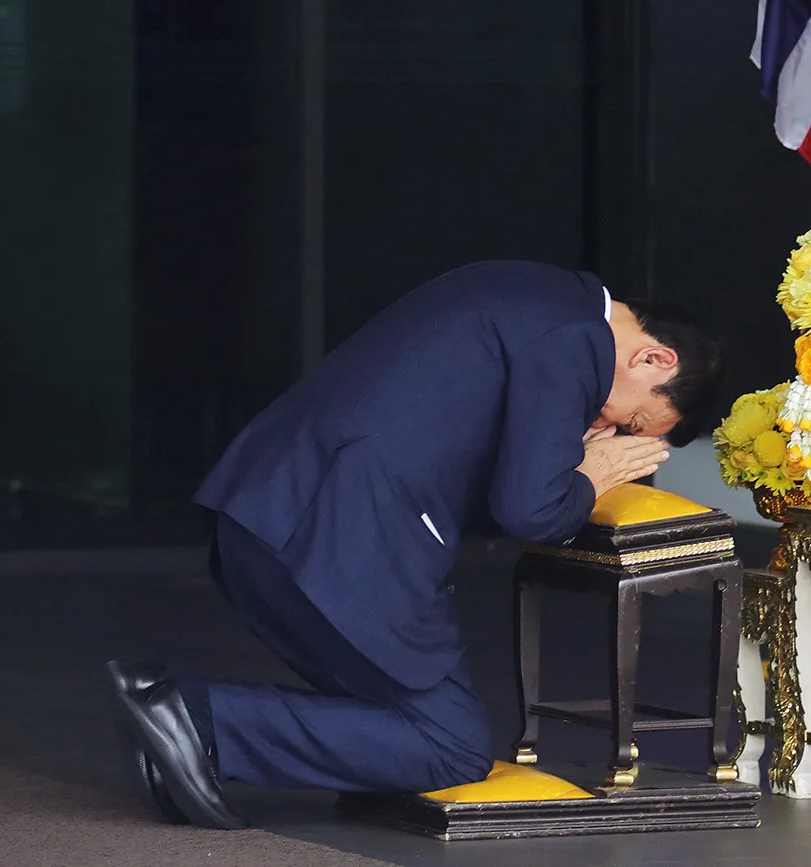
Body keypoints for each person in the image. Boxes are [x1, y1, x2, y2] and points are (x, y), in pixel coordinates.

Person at [106, 262, 728, 829]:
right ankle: (198, 717)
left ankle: (177, 732)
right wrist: (590, 476)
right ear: (655, 360)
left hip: (267, 513)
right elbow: (530, 511)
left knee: (401, 719)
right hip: (341, 539)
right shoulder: (577, 340)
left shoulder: (537, 293)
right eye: (632, 421)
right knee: (449, 746)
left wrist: (566, 454)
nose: (611, 430)